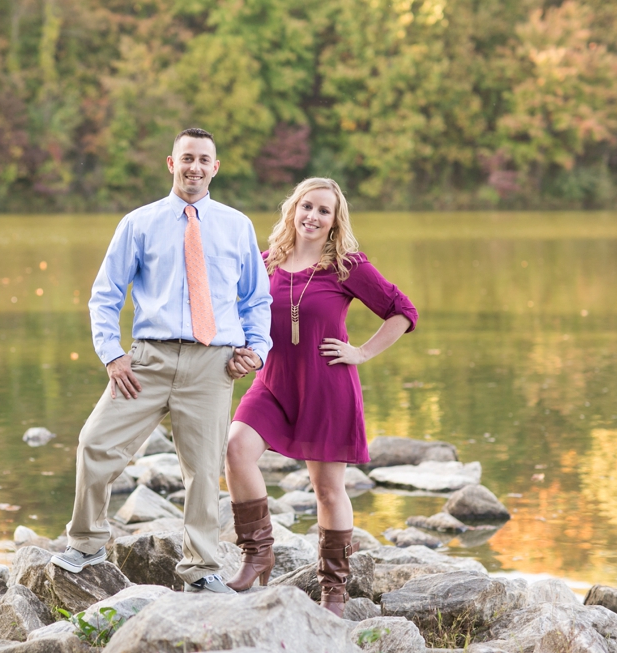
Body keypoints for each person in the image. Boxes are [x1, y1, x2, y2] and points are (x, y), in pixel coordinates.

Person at [50, 128, 272, 594]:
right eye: (186, 158)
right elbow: (105, 295)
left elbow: (257, 299)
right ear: (171, 164)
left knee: (204, 468)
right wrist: (112, 355)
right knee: (95, 442)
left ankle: (201, 569)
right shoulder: (139, 223)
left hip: (213, 365)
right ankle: (87, 541)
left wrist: (256, 350)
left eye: (203, 159)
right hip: (145, 362)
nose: (195, 167)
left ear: (215, 167)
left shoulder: (237, 226)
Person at [223, 178, 417, 616]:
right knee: (236, 449)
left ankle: (334, 589)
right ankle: (257, 554)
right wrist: (239, 349)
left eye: (323, 210)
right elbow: (235, 316)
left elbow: (403, 312)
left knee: (328, 491)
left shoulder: (347, 266)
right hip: (272, 383)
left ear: (335, 221)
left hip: (327, 388)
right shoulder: (265, 263)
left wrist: (362, 352)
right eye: (306, 206)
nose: (312, 216)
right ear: (293, 209)